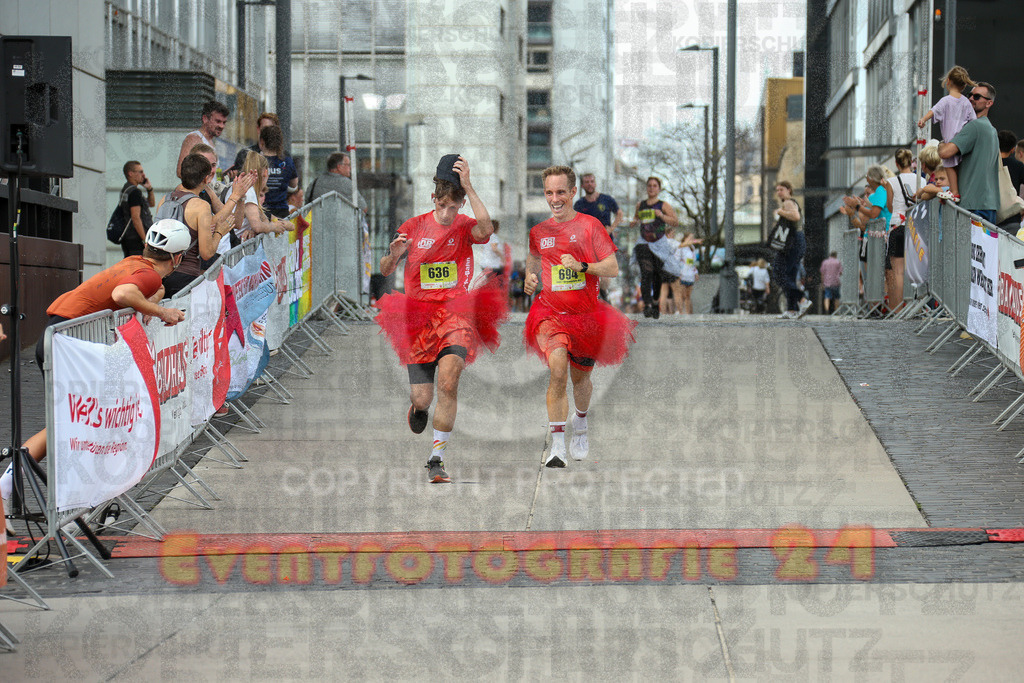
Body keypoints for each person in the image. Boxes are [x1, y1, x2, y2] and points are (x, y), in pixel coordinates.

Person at [0, 220, 191, 534]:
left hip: (62, 338)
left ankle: (86, 502)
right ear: (178, 257)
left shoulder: (136, 264)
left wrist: (154, 297)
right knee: (78, 426)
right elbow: (123, 292)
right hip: (67, 344)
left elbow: (138, 289)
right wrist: (163, 312)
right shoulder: (148, 273)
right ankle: (57, 500)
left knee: (80, 424)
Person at [375, 155, 507, 484]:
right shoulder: (413, 227)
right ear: (433, 199)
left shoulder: (464, 226)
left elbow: (488, 229)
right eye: (444, 205)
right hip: (418, 317)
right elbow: (384, 270)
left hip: (454, 314)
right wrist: (392, 255)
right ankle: (419, 410)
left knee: (449, 382)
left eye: (455, 206)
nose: (449, 213)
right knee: (423, 397)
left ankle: (437, 458)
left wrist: (470, 187)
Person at [523, 165, 637, 468]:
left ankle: (581, 423)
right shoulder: (539, 232)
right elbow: (533, 258)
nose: (555, 198)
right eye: (549, 192)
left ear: (573, 192)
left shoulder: (590, 227)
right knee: (557, 368)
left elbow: (612, 267)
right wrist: (529, 278)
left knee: (581, 380)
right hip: (550, 313)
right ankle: (557, 446)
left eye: (561, 192)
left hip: (586, 316)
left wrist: (583, 267)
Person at [156, 153, 255, 297]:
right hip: (185, 279)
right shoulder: (200, 205)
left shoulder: (165, 199)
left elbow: (214, 221)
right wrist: (219, 233)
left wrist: (237, 197)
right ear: (206, 179)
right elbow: (207, 253)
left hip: (160, 277)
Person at [938, 81, 1000, 224]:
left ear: (989, 103)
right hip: (987, 205)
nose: (971, 98)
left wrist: (942, 143)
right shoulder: (991, 129)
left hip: (973, 206)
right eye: (970, 95)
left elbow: (945, 153)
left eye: (977, 97)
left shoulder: (975, 126)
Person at [917, 65, 976, 202]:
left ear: (948, 81)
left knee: (949, 167)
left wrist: (923, 120)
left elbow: (933, 111)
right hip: (962, 141)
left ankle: (954, 191)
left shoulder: (946, 101)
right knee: (958, 168)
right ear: (963, 85)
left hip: (950, 141)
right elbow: (973, 121)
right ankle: (956, 190)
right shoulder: (966, 102)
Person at [630, 177, 681, 318]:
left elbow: (675, 222)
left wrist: (662, 216)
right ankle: (647, 305)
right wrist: (634, 222)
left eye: (655, 186)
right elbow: (636, 218)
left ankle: (655, 302)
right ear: (647, 188)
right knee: (646, 273)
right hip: (644, 243)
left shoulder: (663, 205)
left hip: (659, 243)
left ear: (659, 189)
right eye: (649, 186)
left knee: (657, 275)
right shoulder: (640, 205)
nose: (652, 188)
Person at [770, 181, 810, 319]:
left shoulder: (788, 202)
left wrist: (780, 211)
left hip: (792, 242)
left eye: (781, 189)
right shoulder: (791, 202)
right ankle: (792, 309)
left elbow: (796, 216)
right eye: (777, 190)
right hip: (797, 241)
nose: (779, 192)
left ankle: (802, 300)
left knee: (778, 273)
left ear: (789, 190)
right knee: (790, 275)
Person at [886, 149, 919, 313]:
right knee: (917, 270)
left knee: (897, 272)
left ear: (897, 164)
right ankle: (918, 308)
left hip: (897, 226)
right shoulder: (921, 180)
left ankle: (896, 309)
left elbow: (890, 206)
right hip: (916, 228)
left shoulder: (891, 182)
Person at [176, 100, 229, 179]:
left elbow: (214, 179)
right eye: (218, 121)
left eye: (224, 122)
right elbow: (181, 172)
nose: (222, 126)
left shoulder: (211, 142)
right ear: (205, 119)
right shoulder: (194, 139)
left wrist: (224, 176)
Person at [258, 125, 299, 219]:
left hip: (261, 211)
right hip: (281, 212)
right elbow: (294, 184)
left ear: (262, 142)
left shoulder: (257, 161)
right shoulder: (287, 161)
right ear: (280, 142)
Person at [118, 160, 156, 257]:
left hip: (129, 239)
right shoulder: (135, 192)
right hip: (136, 240)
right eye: (140, 172)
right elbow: (135, 218)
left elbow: (151, 204)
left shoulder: (126, 189)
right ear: (130, 174)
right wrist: (145, 241)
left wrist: (149, 189)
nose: (143, 175)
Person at [574, 173, 622, 237]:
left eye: (592, 181)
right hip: (588, 242)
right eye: (587, 182)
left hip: (605, 241)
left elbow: (619, 213)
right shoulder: (579, 204)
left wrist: (611, 229)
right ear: (582, 185)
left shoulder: (606, 199)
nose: (590, 184)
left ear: (595, 184)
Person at [670, 229, 702, 315]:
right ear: (685, 238)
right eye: (690, 238)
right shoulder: (681, 247)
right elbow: (676, 260)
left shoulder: (692, 248)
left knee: (688, 296)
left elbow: (693, 262)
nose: (692, 239)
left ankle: (688, 314)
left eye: (693, 238)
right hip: (682, 274)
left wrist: (696, 272)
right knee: (681, 295)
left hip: (690, 274)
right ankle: (681, 312)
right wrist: (678, 272)